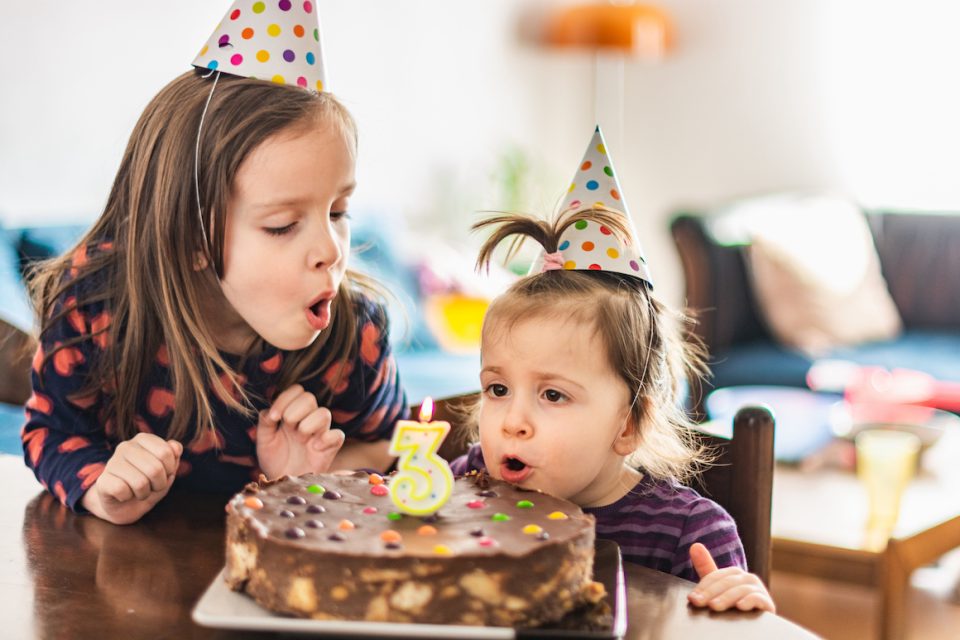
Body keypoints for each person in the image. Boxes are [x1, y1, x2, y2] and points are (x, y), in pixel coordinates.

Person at [21, 4, 405, 525]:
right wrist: (101, 486)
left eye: (338, 211)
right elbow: (51, 430)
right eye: (282, 225)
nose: (333, 250)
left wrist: (301, 477)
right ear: (190, 234)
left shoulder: (354, 334)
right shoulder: (96, 305)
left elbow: (390, 445)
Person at [451, 127, 775, 613]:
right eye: (498, 388)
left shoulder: (688, 537)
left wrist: (741, 614)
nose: (511, 421)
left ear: (628, 424)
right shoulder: (468, 481)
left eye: (552, 395)